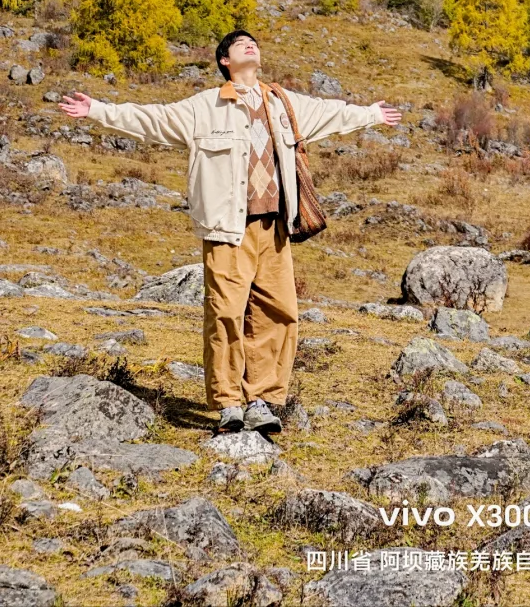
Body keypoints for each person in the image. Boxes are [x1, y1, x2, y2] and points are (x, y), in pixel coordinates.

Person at [61, 29, 402, 436]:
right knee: (224, 314)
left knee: (278, 313)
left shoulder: (283, 103)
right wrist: (97, 109)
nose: (251, 45)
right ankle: (228, 404)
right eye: (241, 44)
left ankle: (263, 401)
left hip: (274, 228)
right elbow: (151, 119)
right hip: (227, 231)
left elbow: (333, 113)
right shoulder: (204, 106)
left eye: (253, 42)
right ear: (225, 61)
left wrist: (371, 114)